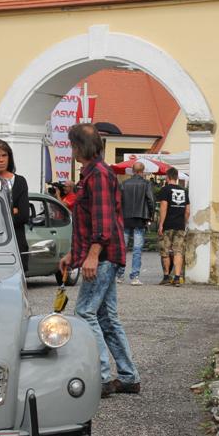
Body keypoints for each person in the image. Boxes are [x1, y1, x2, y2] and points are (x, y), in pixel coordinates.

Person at [58, 123, 140, 397]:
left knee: (85, 312)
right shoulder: (94, 174)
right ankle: (128, 377)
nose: (71, 149)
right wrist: (75, 255)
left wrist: (91, 256)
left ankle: (102, 377)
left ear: (80, 147)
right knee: (106, 316)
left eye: (73, 144)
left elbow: (103, 225)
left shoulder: (98, 176)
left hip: (103, 256)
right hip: (103, 254)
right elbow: (89, 221)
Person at [0, 139, 29, 272]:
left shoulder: (19, 181)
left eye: (4, 155)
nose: (1, 160)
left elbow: (23, 216)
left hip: (16, 244)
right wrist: (11, 210)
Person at [118, 160, 156, 284]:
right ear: (142, 171)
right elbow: (151, 201)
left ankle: (119, 275)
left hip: (125, 217)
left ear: (133, 171)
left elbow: (118, 202)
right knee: (137, 249)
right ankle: (135, 276)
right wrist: (151, 216)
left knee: (122, 247)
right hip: (140, 218)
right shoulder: (146, 184)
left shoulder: (124, 183)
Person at [157, 167, 189, 286]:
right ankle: (177, 277)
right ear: (177, 177)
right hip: (180, 225)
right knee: (178, 251)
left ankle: (166, 277)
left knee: (165, 250)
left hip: (168, 225)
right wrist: (184, 222)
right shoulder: (184, 191)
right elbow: (188, 211)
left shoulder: (165, 190)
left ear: (167, 177)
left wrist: (161, 224)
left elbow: (163, 207)